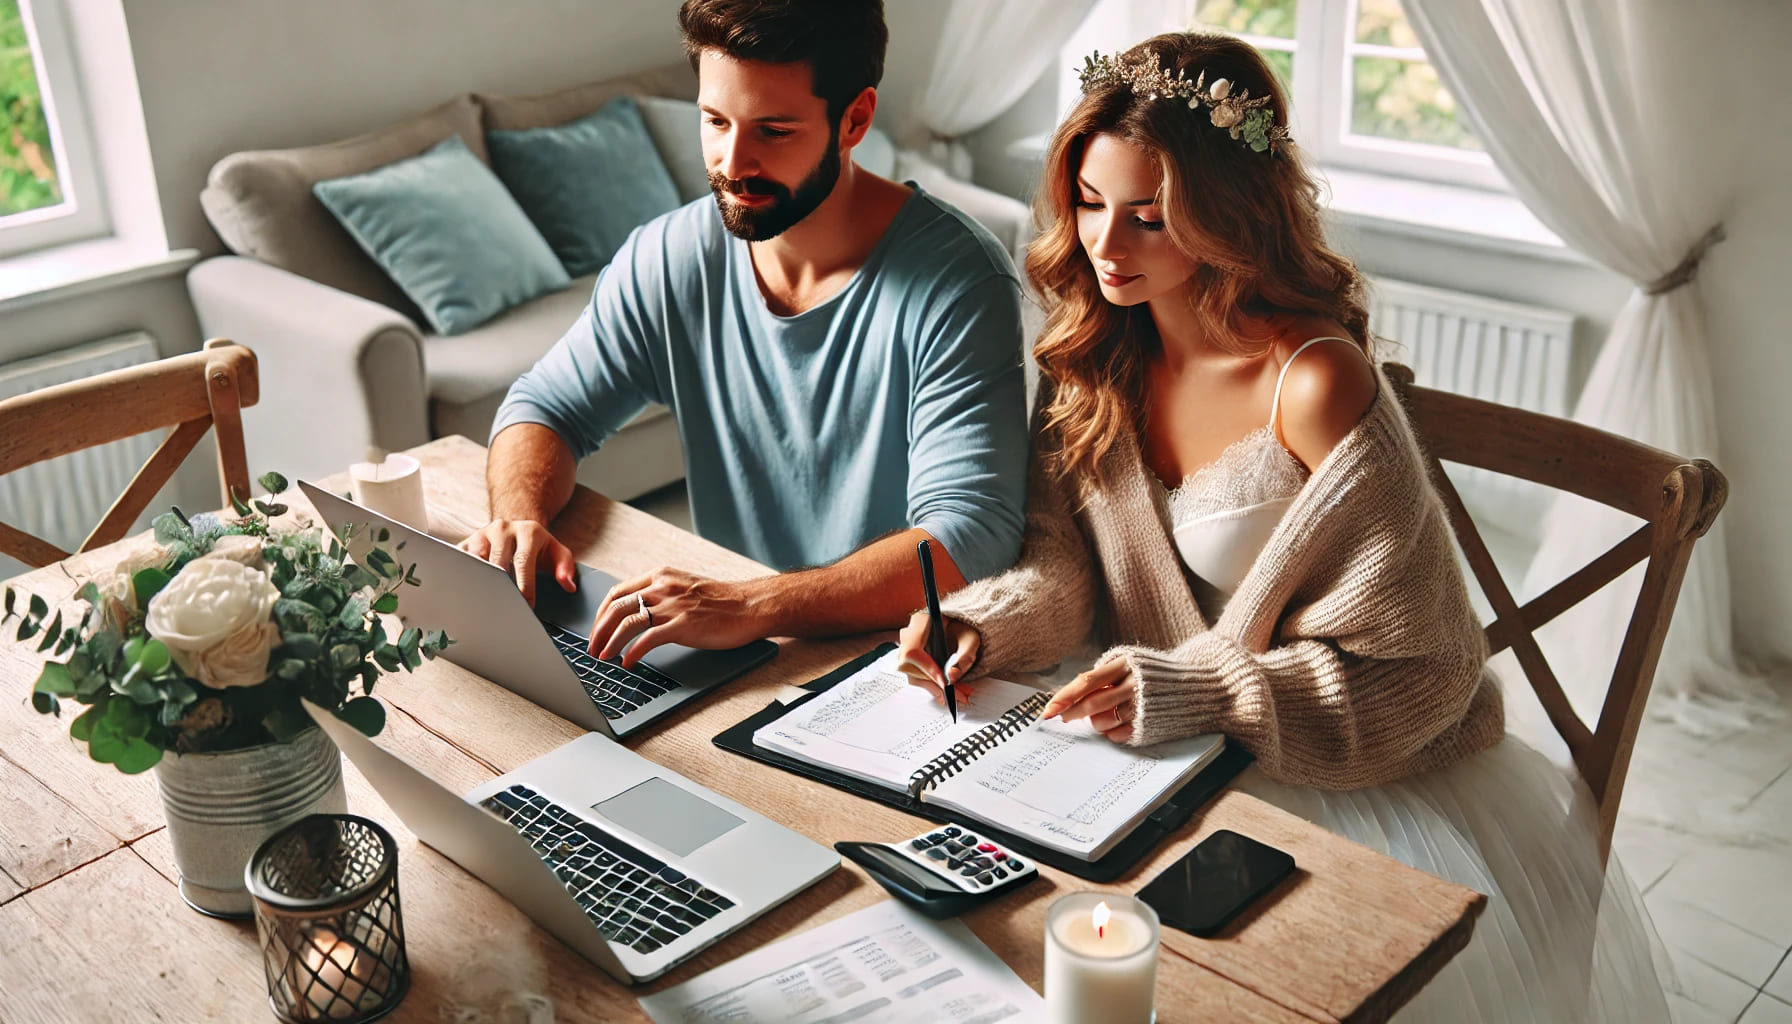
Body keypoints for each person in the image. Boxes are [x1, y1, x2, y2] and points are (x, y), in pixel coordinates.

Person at [895, 32, 1669, 1022]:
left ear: (1228, 214)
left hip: (1332, 766)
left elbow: (1423, 670)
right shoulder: (1094, 354)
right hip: (1162, 747)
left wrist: (1198, 687)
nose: (1105, 245)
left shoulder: (1313, 381)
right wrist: (988, 624)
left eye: (1149, 218)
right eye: (1089, 201)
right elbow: (1065, 560)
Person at [464, 0, 1029, 665]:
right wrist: (521, 519)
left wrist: (750, 605)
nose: (733, 162)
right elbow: (545, 407)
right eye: (714, 121)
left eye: (774, 130)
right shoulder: (669, 256)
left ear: (855, 119)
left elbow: (971, 536)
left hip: (903, 660)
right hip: (732, 650)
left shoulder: (960, 283)